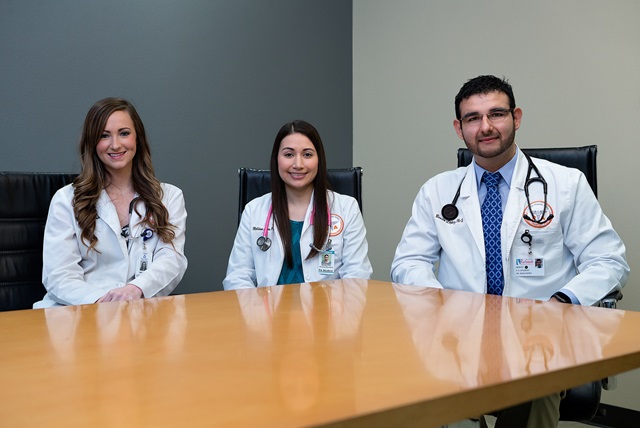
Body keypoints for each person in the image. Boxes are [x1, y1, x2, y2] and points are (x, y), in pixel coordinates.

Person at [391, 75, 629, 427]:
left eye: (496, 114)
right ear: (459, 128)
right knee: (408, 379)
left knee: (535, 383)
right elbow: (409, 262)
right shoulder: (436, 191)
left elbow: (608, 260)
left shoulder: (565, 185)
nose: (485, 127)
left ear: (516, 118)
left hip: (540, 336)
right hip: (460, 334)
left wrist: (563, 302)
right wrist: (442, 304)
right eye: (473, 118)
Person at [35, 98, 188, 308]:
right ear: (92, 143)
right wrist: (104, 303)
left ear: (138, 138)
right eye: (104, 136)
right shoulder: (66, 200)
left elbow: (171, 260)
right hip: (79, 310)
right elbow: (59, 275)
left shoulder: (169, 197)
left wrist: (135, 289)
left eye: (124, 133)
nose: (115, 144)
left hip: (140, 309)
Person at [223, 120, 372, 290]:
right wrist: (257, 315)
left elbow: (357, 276)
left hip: (329, 313)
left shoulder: (347, 208)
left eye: (307, 154)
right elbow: (237, 276)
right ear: (276, 159)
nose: (298, 164)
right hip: (265, 314)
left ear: (319, 160)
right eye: (289, 155)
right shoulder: (253, 210)